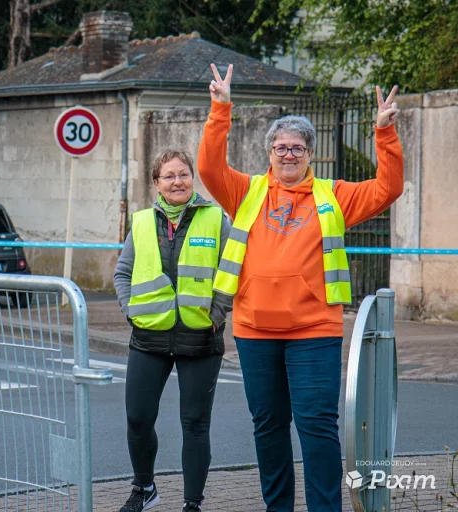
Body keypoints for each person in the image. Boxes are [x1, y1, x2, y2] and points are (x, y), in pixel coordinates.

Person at [197, 64, 403, 511]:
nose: (288, 154)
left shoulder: (335, 195)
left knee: (317, 429)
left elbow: (388, 188)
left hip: (314, 331)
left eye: (297, 148)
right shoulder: (246, 191)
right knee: (268, 428)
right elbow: (208, 168)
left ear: (311, 153)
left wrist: (384, 133)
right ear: (269, 152)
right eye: (280, 147)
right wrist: (220, 109)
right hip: (254, 331)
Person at [114, 149, 232, 512]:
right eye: (169, 176)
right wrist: (131, 311)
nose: (177, 181)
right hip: (148, 336)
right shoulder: (142, 222)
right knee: (137, 418)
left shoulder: (216, 219)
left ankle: (192, 503)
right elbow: (122, 273)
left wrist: (216, 315)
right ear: (156, 183)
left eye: (183, 174)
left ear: (192, 178)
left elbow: (230, 272)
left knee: (195, 424)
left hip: (200, 337)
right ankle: (144, 489)